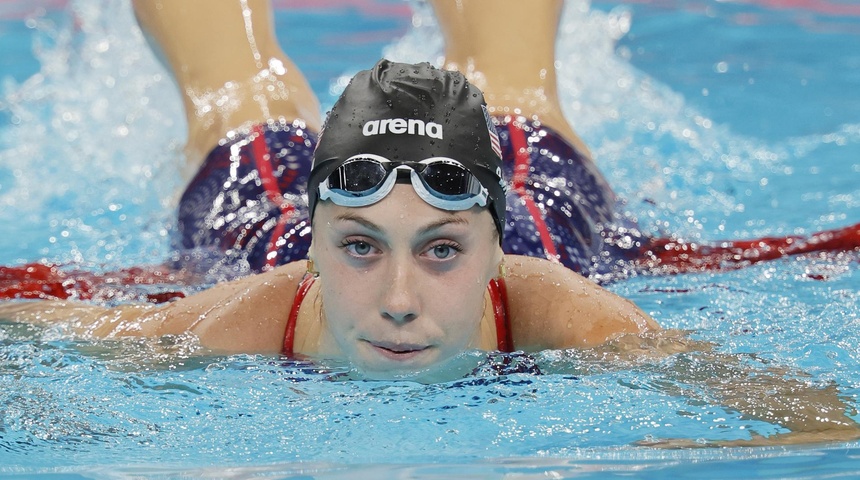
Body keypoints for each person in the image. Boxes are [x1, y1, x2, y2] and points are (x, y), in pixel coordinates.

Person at [2, 0, 860, 448]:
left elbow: (813, 422)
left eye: (442, 249)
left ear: (496, 253)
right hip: (256, 232)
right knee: (233, 85)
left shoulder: (563, 306)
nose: (400, 301)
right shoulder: (244, 318)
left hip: (541, 211)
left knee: (516, 79)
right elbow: (46, 333)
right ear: (313, 249)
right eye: (360, 248)